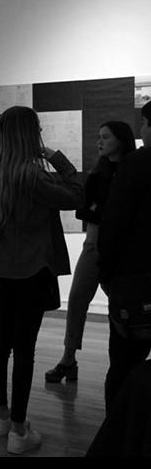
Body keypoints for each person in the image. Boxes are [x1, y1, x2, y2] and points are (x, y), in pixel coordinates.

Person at [0, 105, 84, 455]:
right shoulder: (34, 175)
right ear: (31, 134)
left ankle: (0, 418)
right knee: (24, 350)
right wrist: (56, 157)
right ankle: (19, 432)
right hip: (31, 271)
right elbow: (78, 194)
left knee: (1, 341)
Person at [45, 121, 136, 382]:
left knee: (122, 306)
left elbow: (123, 213)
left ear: (120, 140)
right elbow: (83, 210)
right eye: (99, 136)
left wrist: (102, 211)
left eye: (105, 137)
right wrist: (105, 212)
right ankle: (68, 360)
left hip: (122, 252)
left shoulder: (133, 170)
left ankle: (123, 364)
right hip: (93, 246)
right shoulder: (98, 174)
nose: (100, 142)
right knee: (76, 301)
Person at [97, 101, 151, 411]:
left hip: (135, 281)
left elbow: (113, 226)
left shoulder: (136, 165)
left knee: (123, 364)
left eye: (144, 123)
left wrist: (107, 274)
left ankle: (118, 432)